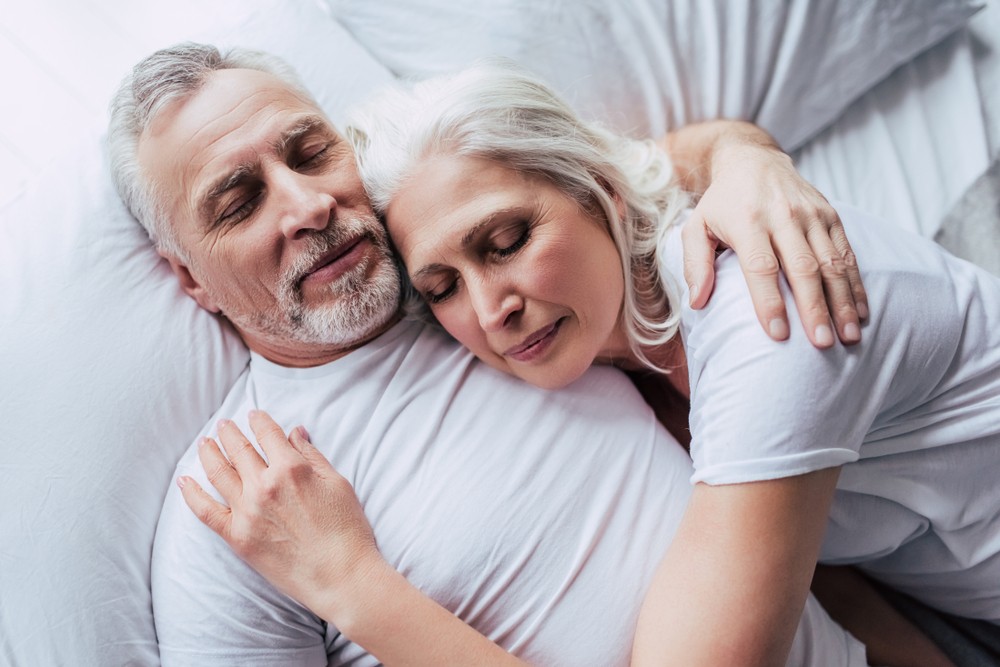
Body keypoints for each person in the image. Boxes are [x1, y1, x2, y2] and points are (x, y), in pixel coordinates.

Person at [111, 43, 907, 666]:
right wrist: (352, 587)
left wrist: (746, 159)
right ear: (191, 279)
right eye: (240, 201)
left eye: (311, 152)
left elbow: (613, 170)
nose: (308, 203)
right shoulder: (238, 502)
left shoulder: (473, 271)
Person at [301, 61, 997, 665]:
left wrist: (353, 588)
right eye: (442, 287)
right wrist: (742, 151)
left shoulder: (764, 317)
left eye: (505, 242)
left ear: (603, 193)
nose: (489, 311)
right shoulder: (619, 337)